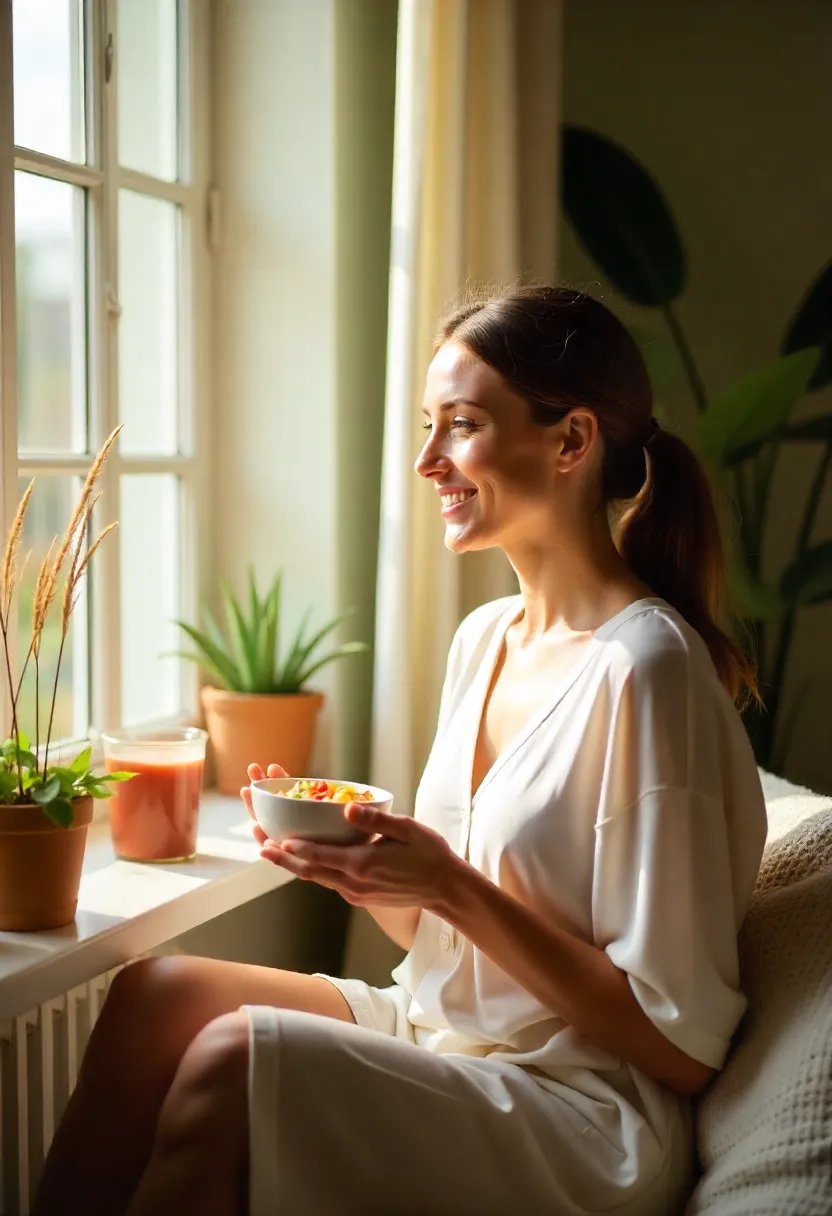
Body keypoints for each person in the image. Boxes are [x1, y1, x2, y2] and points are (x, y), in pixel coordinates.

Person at [32, 286, 767, 1216]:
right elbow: (442, 944)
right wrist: (365, 873)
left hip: (581, 1108)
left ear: (572, 441)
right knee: (156, 999)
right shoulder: (486, 637)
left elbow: (681, 1048)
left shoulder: (647, 669)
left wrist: (450, 883)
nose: (427, 462)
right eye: (429, 426)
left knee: (232, 1055)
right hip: (441, 1032)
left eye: (460, 426)